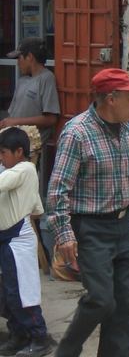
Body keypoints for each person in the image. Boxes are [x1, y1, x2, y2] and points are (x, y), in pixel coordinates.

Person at [46, 67, 129, 357]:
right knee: (101, 300)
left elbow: (128, 180)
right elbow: (57, 190)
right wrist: (64, 235)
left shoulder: (126, 130)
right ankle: (66, 351)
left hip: (123, 224)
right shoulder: (77, 133)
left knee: (124, 304)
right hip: (91, 227)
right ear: (111, 99)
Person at [0, 128, 54, 357]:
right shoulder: (16, 171)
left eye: (3, 153)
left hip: (17, 240)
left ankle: (38, 336)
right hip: (8, 239)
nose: (1, 158)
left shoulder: (25, 169)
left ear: (19, 151)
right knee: (8, 292)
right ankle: (19, 334)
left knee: (21, 292)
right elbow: (37, 208)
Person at [2, 39, 60, 145]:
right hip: (11, 142)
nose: (18, 63)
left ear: (29, 57)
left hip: (28, 145)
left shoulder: (46, 78)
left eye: (19, 58)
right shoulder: (22, 81)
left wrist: (16, 122)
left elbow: (51, 119)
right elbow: (12, 114)